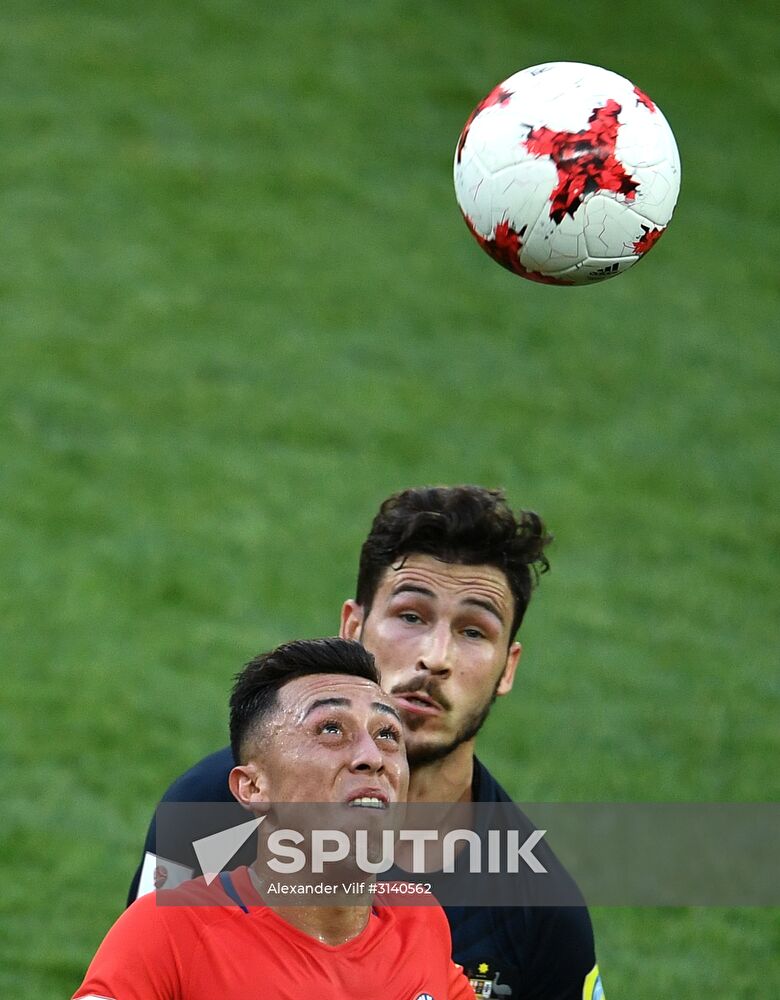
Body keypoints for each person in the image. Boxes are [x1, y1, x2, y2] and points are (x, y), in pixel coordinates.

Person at [128, 486, 605, 999]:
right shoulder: (209, 811)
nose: (435, 657)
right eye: (411, 616)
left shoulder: (538, 906)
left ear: (507, 667)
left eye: (473, 631)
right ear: (353, 627)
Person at [74, 638, 473, 1000]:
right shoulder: (170, 934)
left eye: (388, 734)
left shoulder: (419, 921)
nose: (372, 757)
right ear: (252, 788)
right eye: (331, 729)